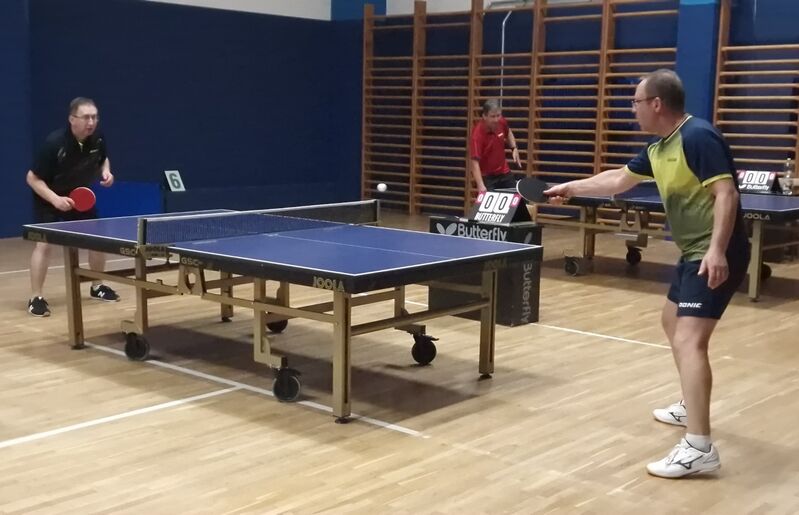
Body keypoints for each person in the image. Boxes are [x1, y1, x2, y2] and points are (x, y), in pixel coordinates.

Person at [545, 69, 750, 478]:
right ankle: (691, 404)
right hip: (693, 251)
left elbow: (726, 192)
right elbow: (619, 180)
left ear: (656, 104)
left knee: (690, 339)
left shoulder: (697, 137)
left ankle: (699, 447)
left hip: (715, 251)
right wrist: (572, 187)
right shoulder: (659, 147)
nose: (632, 109)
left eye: (636, 102)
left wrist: (716, 251)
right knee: (671, 322)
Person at [26, 97, 120, 317]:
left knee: (97, 239)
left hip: (78, 195)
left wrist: (106, 172)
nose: (91, 122)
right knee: (44, 245)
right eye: (86, 117)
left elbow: (103, 159)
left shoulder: (97, 138)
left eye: (94, 117)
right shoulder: (54, 143)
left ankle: (97, 286)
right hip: (49, 196)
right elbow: (32, 178)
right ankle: (35, 298)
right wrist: (55, 199)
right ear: (72, 119)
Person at [469, 98, 522, 192]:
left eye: (498, 115)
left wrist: (514, 148)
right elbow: (474, 162)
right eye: (492, 116)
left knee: (516, 197)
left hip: (504, 172)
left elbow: (508, 132)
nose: (496, 119)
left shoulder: (501, 121)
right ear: (484, 116)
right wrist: (480, 185)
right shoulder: (477, 135)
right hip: (488, 177)